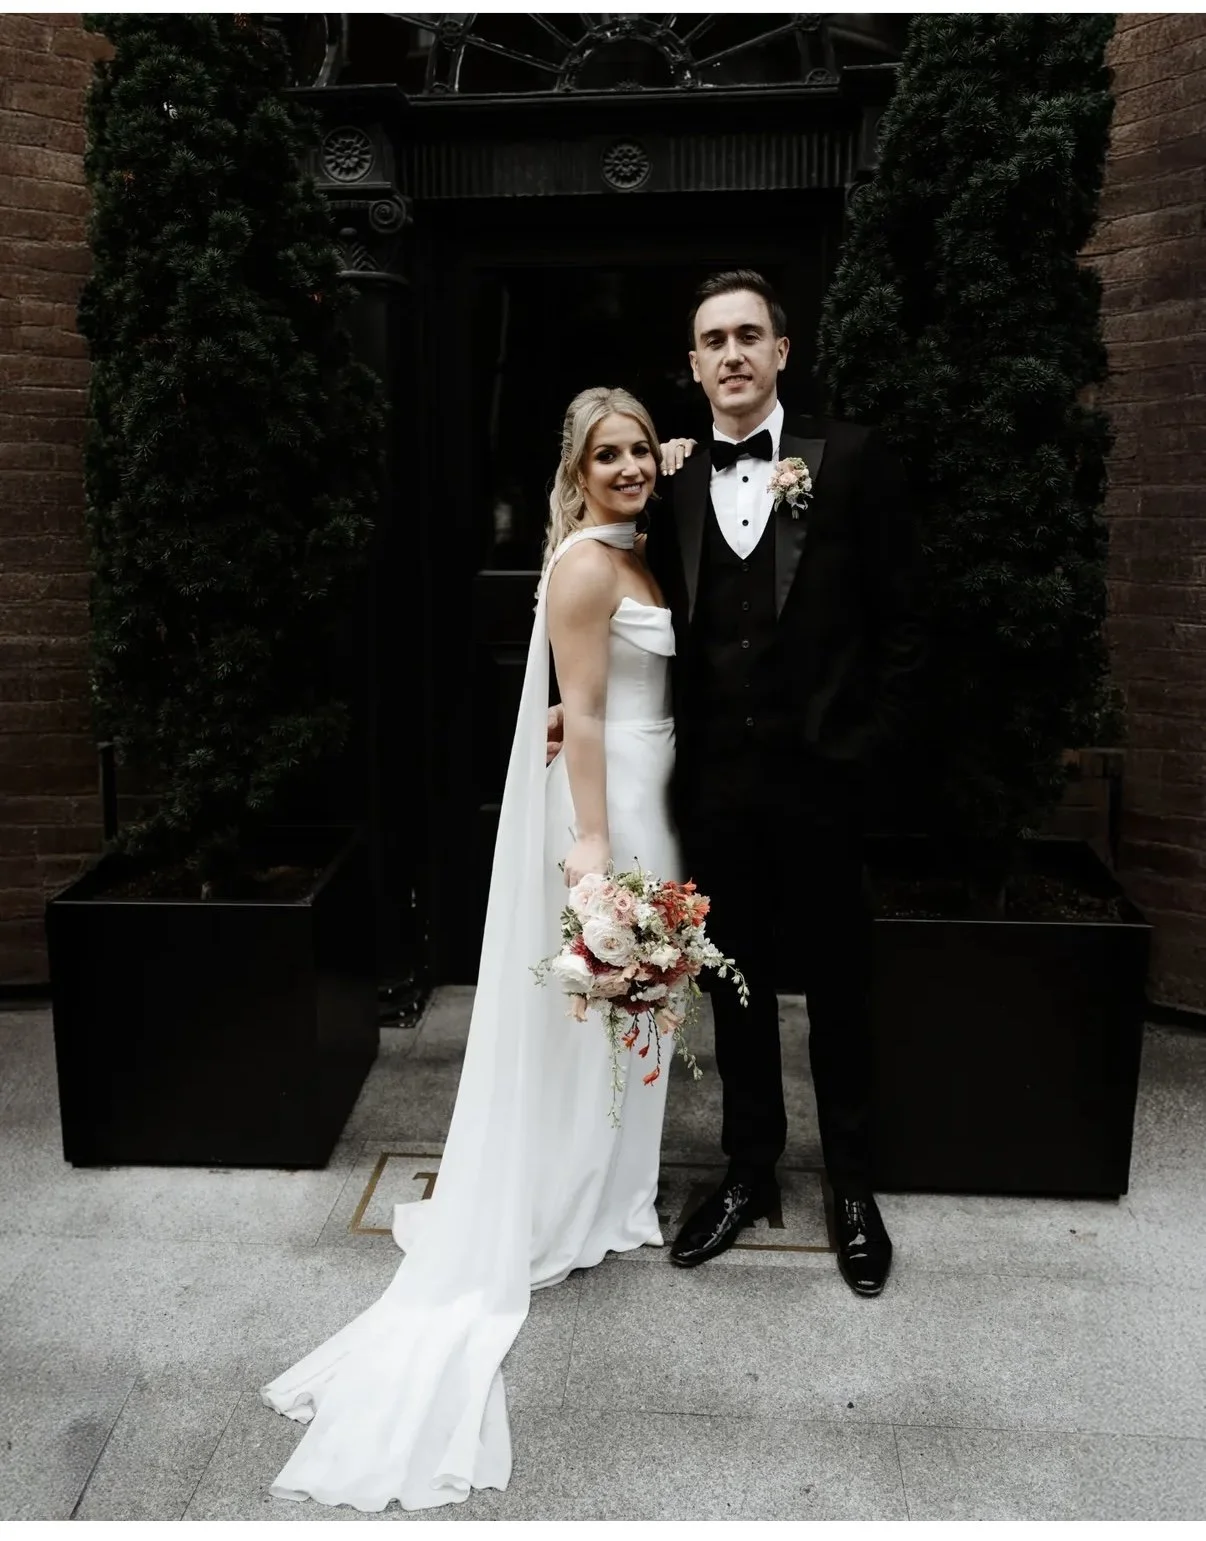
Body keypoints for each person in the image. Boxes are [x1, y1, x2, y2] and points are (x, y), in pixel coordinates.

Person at [260, 387, 680, 1511]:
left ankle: (611, 1187)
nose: (632, 465)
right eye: (610, 452)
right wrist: (592, 839)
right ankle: (585, 1194)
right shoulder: (591, 566)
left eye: (642, 447)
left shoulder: (632, 546)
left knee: (634, 998)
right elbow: (581, 712)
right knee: (611, 990)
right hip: (616, 794)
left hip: (652, 778)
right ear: (576, 468)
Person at [549, 271, 925, 1296]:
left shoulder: (850, 458)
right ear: (694, 363)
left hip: (825, 781)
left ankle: (853, 1183)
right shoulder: (664, 475)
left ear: (783, 350)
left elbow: (903, 626)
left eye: (750, 335)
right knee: (734, 984)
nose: (732, 355)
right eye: (713, 340)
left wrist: (866, 747)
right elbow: (613, 606)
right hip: (710, 787)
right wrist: (568, 704)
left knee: (840, 986)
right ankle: (748, 1169)